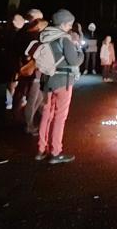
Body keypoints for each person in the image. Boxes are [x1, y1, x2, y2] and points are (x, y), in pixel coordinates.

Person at [36, 9, 84, 164]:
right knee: (60, 117)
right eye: (69, 23)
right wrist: (79, 50)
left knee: (46, 115)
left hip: (47, 80)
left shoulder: (45, 36)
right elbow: (74, 61)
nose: (70, 27)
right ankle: (56, 152)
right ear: (63, 24)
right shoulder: (64, 39)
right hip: (63, 81)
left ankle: (41, 150)